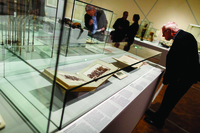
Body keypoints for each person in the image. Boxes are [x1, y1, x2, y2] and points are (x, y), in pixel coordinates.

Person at [144, 22, 199, 128]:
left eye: (164, 33)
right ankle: (158, 115)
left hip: (182, 79)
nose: (163, 36)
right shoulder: (186, 35)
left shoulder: (180, 40)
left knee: (169, 100)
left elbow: (182, 62)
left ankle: (158, 122)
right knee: (168, 99)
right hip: (184, 77)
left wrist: (172, 78)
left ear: (169, 31)